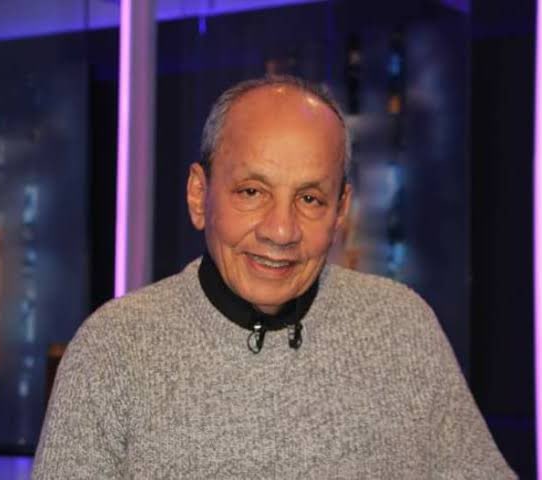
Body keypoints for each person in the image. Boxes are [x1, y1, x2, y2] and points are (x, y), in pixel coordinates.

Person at [33, 76, 516, 479]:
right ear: (199, 195)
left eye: (309, 199)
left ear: (341, 211)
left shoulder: (402, 327)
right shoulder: (115, 348)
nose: (281, 231)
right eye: (252, 192)